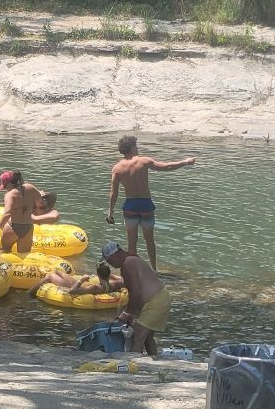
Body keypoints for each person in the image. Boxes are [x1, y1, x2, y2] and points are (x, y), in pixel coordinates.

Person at [107, 134, 196, 271]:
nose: (137, 148)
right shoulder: (144, 161)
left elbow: (114, 193)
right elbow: (166, 167)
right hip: (146, 205)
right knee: (149, 241)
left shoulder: (117, 168)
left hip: (130, 206)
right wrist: (185, 162)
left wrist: (110, 211)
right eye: (135, 145)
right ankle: (154, 270)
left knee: (132, 244)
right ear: (131, 147)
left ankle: (133, 272)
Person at [101, 240, 172, 355]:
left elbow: (135, 292)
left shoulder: (128, 264)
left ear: (115, 254)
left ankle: (135, 366)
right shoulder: (132, 260)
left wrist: (127, 313)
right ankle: (153, 361)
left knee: (137, 335)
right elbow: (137, 291)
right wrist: (132, 312)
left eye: (109, 261)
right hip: (160, 298)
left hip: (155, 301)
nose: (110, 264)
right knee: (147, 337)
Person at [0, 171, 41, 254]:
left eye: (5, 186)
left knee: (5, 254)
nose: (5, 189)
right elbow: (40, 203)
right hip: (28, 227)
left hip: (12, 227)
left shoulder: (10, 194)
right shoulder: (30, 187)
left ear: (10, 183)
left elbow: (7, 213)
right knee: (24, 256)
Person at [27, 260, 123, 297]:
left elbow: (72, 291)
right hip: (81, 285)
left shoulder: (96, 288)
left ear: (98, 275)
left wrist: (82, 279)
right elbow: (121, 279)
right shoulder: (115, 284)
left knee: (49, 276)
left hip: (71, 287)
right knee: (57, 271)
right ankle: (30, 293)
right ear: (109, 273)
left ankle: (29, 294)